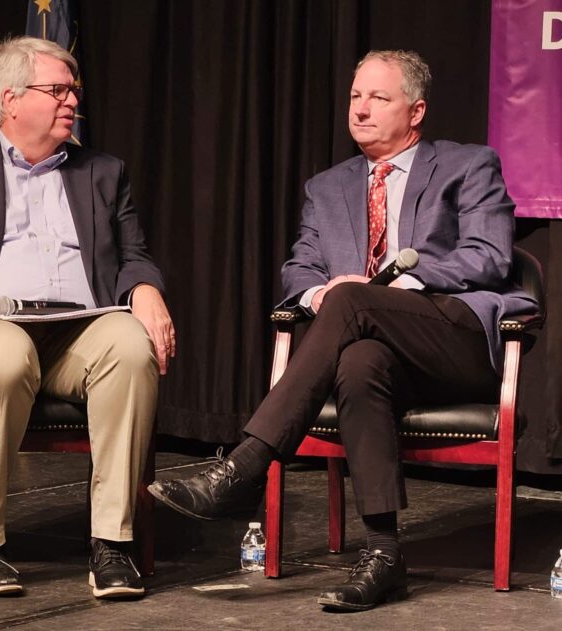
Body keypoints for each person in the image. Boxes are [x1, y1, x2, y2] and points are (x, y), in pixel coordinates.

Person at [148, 49, 537, 612]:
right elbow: (300, 268)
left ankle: (246, 466)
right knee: (358, 363)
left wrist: (401, 282)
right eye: (355, 96)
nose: (360, 109)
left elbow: (489, 255)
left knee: (354, 300)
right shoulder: (327, 188)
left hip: (455, 338)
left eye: (378, 97)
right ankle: (384, 555)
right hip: (375, 347)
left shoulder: (468, 165)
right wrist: (319, 294)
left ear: (416, 111)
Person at [0, 35, 175, 599]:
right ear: (11, 99)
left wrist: (145, 286)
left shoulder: (104, 171)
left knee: (128, 343)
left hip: (79, 334)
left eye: (74, 90)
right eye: (58, 90)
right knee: (6, 352)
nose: (73, 100)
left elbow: (134, 255)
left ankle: (113, 543)